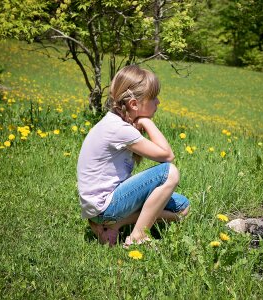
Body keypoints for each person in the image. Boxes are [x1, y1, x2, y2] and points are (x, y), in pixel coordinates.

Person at [77, 65, 190, 247]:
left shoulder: (115, 122)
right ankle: (137, 236)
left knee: (182, 207)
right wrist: (146, 121)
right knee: (170, 172)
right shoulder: (118, 129)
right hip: (105, 206)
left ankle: (116, 224)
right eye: (153, 98)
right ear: (134, 104)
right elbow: (167, 156)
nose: (158, 102)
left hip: (103, 206)